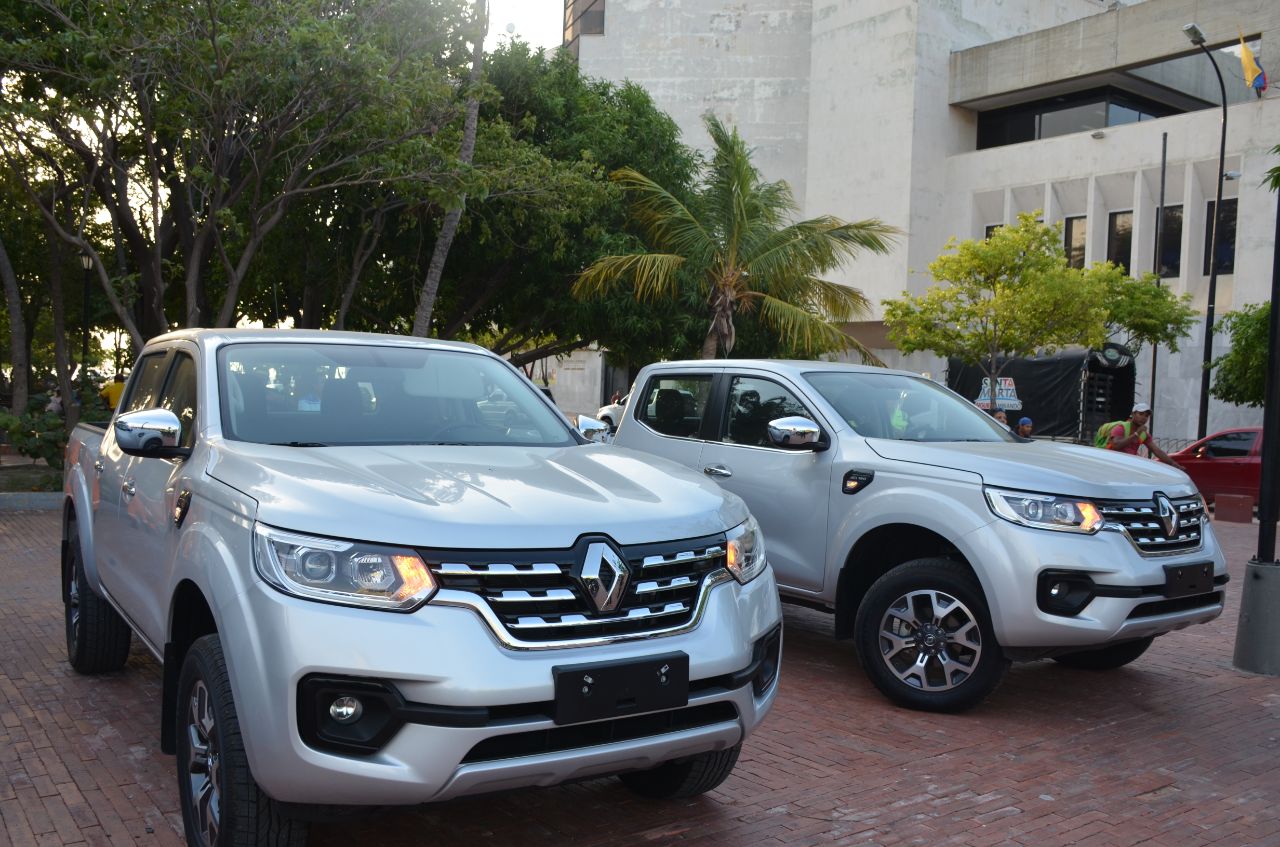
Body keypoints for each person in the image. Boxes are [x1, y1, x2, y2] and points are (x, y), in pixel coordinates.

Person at [1105, 402, 1181, 468]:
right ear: (1133, 414)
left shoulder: (1144, 435)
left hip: (1128, 465)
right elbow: (1116, 445)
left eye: (1146, 416)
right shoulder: (1121, 427)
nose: (1143, 418)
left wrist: (1173, 463)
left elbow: (1156, 450)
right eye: (1141, 414)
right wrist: (1136, 434)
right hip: (1113, 464)